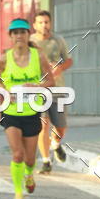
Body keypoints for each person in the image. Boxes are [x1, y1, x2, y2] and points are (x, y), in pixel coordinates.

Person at [0, 18, 54, 199]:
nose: (19, 36)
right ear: (10, 37)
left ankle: (29, 174)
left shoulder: (38, 57)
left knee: (30, 158)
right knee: (17, 155)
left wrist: (37, 85)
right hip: (11, 111)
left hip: (32, 111)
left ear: (28, 34)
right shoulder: (3, 59)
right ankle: (18, 192)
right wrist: (4, 92)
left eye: (22, 32)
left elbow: (50, 82)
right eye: (15, 33)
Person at [31, 9, 73, 172]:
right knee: (43, 125)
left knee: (61, 126)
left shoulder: (58, 40)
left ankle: (56, 144)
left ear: (51, 23)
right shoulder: (30, 42)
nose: (44, 25)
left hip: (58, 89)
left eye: (46, 22)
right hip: (38, 91)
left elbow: (69, 61)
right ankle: (46, 161)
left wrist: (59, 68)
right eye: (40, 22)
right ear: (35, 25)